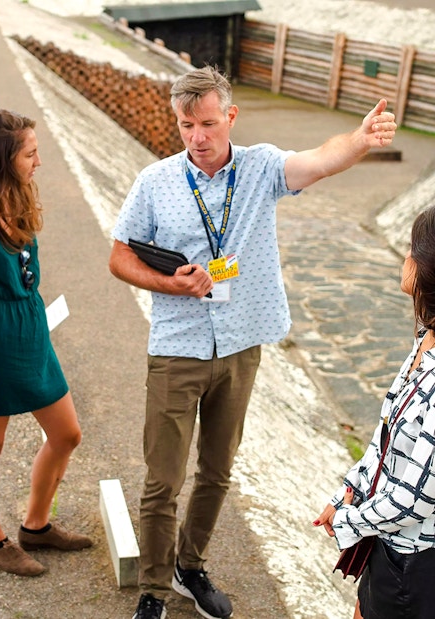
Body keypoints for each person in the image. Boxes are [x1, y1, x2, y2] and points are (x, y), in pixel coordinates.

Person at [109, 65, 397, 619]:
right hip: (177, 346)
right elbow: (119, 257)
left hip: (242, 344)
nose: (197, 137)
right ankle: (153, 588)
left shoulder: (262, 166)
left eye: (208, 123)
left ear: (231, 117)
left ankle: (190, 567)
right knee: (162, 480)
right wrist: (171, 283)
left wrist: (359, 141)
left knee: (217, 470)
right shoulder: (155, 182)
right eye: (187, 124)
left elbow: (318, 160)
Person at [0, 110, 92, 578]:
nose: (39, 161)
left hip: (29, 327)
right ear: (3, 159)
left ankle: (36, 526)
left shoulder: (17, 196)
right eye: (30, 153)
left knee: (66, 433)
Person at [314, 204, 435, 619]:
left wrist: (350, 520)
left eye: (411, 251)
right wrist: (347, 490)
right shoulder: (425, 338)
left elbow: (416, 499)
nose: (405, 258)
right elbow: (385, 441)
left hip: (416, 564)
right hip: (390, 547)